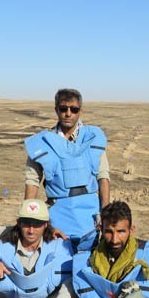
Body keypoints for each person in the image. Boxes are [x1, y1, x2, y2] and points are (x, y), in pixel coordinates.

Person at [23, 88, 110, 250]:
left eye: (74, 109)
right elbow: (32, 182)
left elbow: (103, 177)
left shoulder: (93, 138)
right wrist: (29, 219)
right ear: (56, 109)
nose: (68, 114)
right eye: (63, 108)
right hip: (58, 219)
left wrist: (106, 215)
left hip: (91, 218)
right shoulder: (42, 143)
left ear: (80, 111)